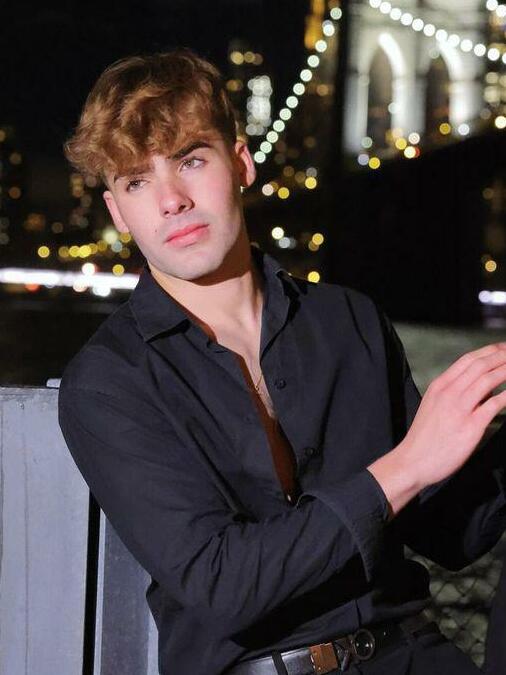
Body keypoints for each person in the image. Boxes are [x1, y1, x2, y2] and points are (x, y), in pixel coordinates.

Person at [58, 49, 506, 675]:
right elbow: (223, 584)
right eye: (137, 181)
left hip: (410, 654)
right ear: (118, 211)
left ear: (241, 163)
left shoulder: (349, 321)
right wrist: (406, 466)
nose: (171, 200)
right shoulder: (109, 380)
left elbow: (455, 532)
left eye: (191, 160)